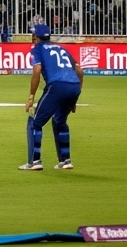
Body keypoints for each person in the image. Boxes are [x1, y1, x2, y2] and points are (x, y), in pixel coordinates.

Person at [21, 23, 83, 171]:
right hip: (74, 86)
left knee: (35, 123)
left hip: (56, 86)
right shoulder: (62, 48)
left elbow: (37, 71)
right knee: (60, 121)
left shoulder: (38, 49)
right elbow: (79, 71)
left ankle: (34, 162)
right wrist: (75, 97)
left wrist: (31, 96)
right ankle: (65, 160)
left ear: (35, 37)